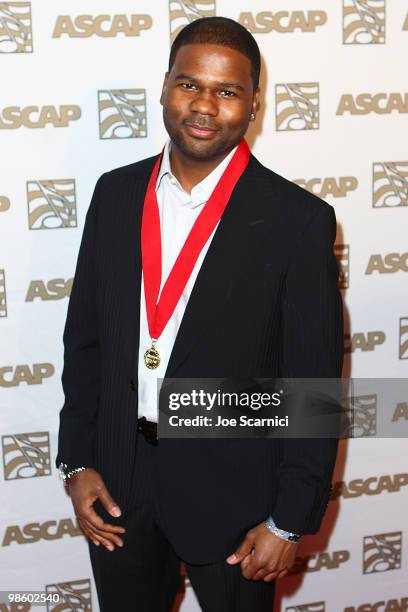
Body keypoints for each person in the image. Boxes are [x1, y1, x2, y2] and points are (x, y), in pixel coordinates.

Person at [56, 16, 344, 612]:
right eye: (190, 85)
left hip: (239, 498)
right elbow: (86, 342)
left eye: (227, 91)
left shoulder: (299, 221)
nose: (205, 106)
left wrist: (290, 521)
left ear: (254, 103)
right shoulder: (113, 195)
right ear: (164, 87)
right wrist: (78, 460)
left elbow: (313, 387)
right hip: (118, 484)